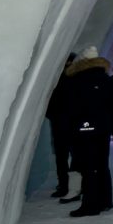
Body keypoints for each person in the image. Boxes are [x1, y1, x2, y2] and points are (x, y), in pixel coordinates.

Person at [63, 46, 113, 217]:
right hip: (103, 129)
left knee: (87, 167)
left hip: (83, 129)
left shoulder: (77, 81)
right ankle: (105, 200)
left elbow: (71, 109)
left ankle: (90, 204)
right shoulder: (106, 79)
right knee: (102, 165)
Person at [45, 53, 77, 199]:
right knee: (68, 157)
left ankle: (66, 185)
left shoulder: (57, 82)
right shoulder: (75, 80)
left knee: (65, 157)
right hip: (67, 124)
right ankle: (69, 185)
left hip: (62, 124)